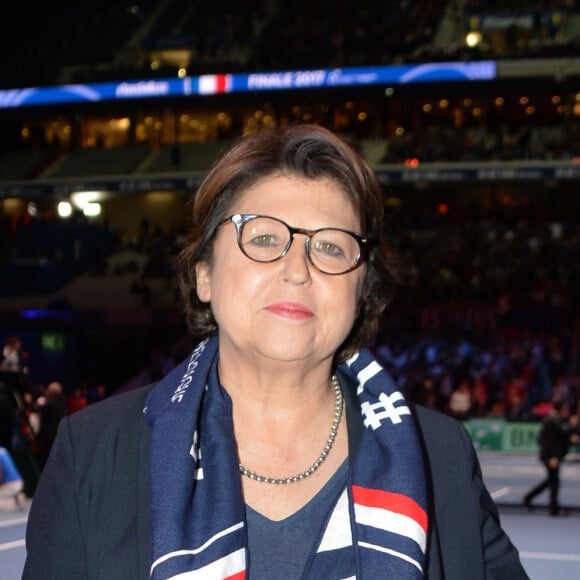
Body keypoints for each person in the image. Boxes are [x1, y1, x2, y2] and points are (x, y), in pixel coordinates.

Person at [23, 125, 528, 579]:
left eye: (330, 246)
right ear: (204, 274)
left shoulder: (439, 455)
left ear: (362, 288)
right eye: (263, 238)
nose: (297, 269)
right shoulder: (94, 453)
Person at [523, 397, 573, 516]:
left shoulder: (556, 419)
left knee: (551, 481)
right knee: (554, 482)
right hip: (551, 457)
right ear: (560, 408)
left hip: (552, 456)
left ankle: (528, 498)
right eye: (565, 408)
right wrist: (552, 457)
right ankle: (553, 509)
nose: (567, 410)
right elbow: (547, 441)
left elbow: (557, 438)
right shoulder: (550, 420)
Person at [0, 445, 27, 511]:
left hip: (11, 484)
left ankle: (16, 501)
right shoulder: (3, 450)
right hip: (19, 482)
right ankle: (17, 498)